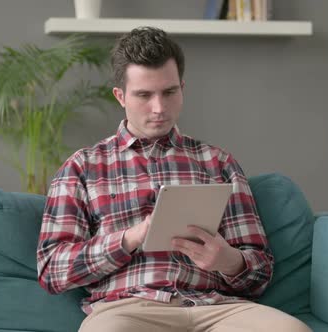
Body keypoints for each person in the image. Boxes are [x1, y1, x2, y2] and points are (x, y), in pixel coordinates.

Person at [37, 26, 311, 332]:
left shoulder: (217, 162)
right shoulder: (83, 167)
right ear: (120, 96)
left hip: (216, 307)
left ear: (182, 87)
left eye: (169, 92)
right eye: (144, 95)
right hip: (129, 309)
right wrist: (130, 239)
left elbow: (260, 270)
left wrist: (228, 261)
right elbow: (53, 271)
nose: (159, 108)